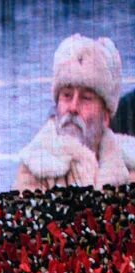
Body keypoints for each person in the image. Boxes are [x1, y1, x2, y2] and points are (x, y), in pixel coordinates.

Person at [15, 35, 133, 191]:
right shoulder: (35, 168)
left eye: (86, 98)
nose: (73, 107)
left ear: (105, 117)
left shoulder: (129, 167)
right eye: (67, 96)